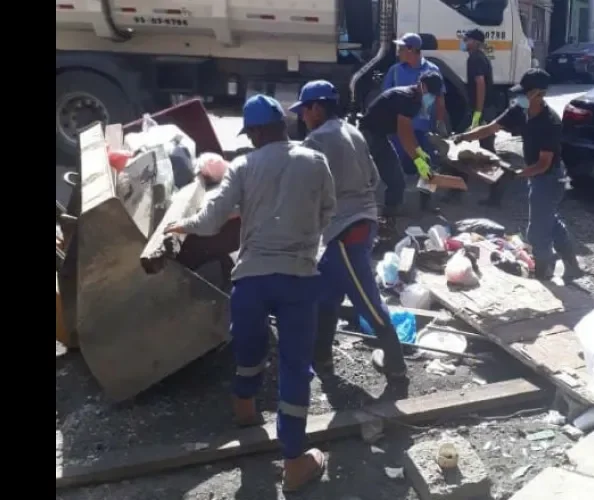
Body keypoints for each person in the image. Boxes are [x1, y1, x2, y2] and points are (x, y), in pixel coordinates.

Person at [163, 94, 336, 492]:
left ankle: (244, 406)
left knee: (250, 345)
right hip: (298, 278)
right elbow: (327, 210)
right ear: (282, 125)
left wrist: (179, 226)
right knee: (294, 367)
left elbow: (210, 221)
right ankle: (294, 461)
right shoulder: (314, 160)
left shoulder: (243, 165)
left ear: (256, 132)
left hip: (252, 279)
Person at [289, 80, 408, 387]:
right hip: (362, 222)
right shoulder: (351, 131)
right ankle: (322, 361)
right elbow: (374, 176)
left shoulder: (316, 141)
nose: (302, 116)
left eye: (304, 110)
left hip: (346, 230)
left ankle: (396, 366)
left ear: (317, 107)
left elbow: (301, 188)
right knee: (326, 297)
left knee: (367, 301)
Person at [452, 68, 581, 280]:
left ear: (539, 94)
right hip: (537, 173)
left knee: (537, 231)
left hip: (550, 177)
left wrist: (517, 174)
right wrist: (464, 137)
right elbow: (491, 128)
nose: (520, 97)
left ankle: (542, 273)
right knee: (550, 220)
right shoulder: (519, 110)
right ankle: (572, 266)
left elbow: (543, 164)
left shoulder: (550, 122)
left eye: (525, 92)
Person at [358, 71, 442, 220]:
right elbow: (404, 134)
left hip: (379, 136)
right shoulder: (407, 98)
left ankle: (390, 215)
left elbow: (408, 131)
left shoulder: (415, 99)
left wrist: (419, 152)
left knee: (397, 180)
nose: (432, 98)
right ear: (422, 86)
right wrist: (417, 160)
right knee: (362, 181)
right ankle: (358, 217)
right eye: (432, 93)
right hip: (368, 137)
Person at [383, 33, 449, 213]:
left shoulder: (432, 70)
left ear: (412, 50)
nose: (398, 51)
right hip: (398, 130)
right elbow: (386, 98)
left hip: (421, 129)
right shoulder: (395, 70)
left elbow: (439, 99)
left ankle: (426, 203)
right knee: (395, 166)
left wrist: (439, 123)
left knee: (426, 164)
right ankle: (392, 205)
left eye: (402, 48)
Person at [462, 28, 510, 207]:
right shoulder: (479, 57)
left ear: (475, 41)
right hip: (483, 109)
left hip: (483, 110)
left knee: (485, 149)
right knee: (474, 146)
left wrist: (478, 113)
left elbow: (480, 84)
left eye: (467, 40)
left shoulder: (475, 59)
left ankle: (498, 186)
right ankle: (457, 188)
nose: (464, 43)